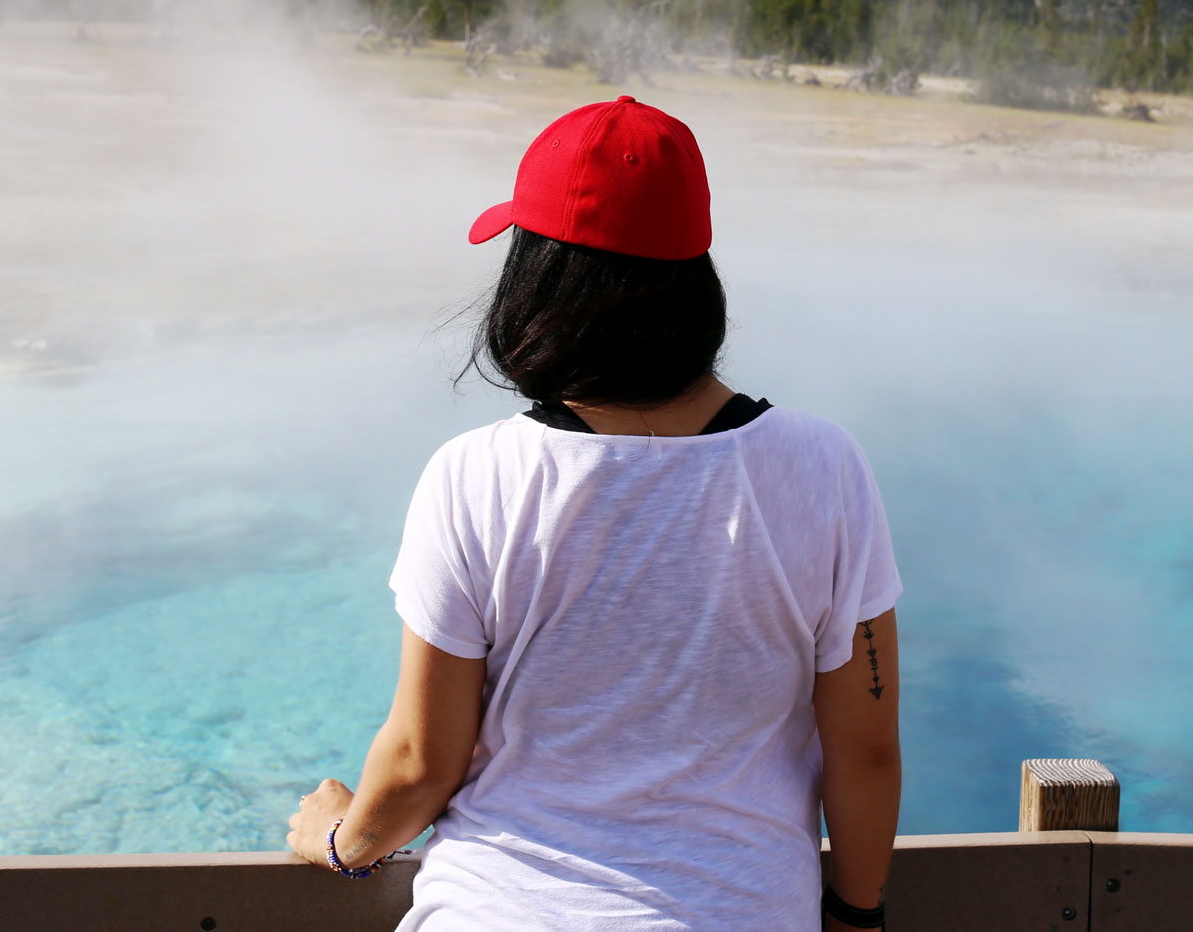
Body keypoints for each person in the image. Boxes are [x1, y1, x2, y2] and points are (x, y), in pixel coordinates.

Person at [287, 94, 904, 931]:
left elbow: (420, 762)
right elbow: (864, 752)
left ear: (537, 283)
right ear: (695, 279)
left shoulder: (475, 475)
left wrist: (340, 840)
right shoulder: (823, 467)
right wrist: (857, 918)